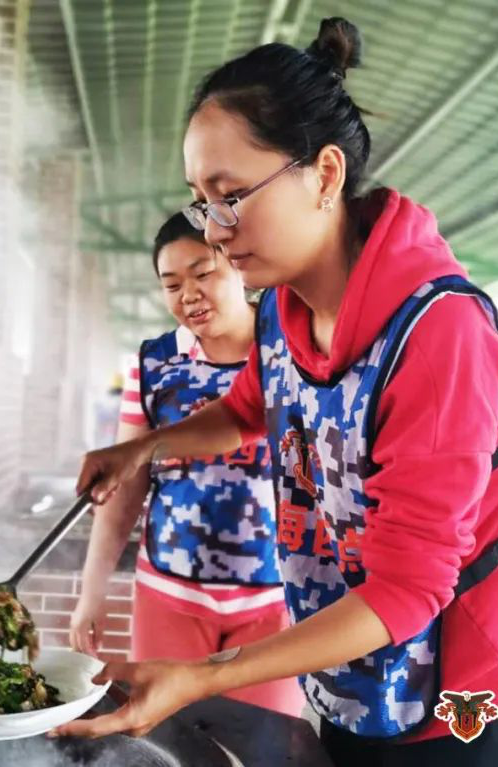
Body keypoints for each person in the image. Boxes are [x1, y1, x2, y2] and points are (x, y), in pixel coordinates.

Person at [54, 18, 498, 766]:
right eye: (201, 201)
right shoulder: (284, 313)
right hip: (353, 671)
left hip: (461, 704)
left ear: (323, 175)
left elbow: (409, 590)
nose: (215, 231)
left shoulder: (438, 332)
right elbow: (243, 413)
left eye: (231, 195)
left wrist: (200, 676)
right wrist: (141, 447)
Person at [68, 213, 302, 716]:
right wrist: (93, 592)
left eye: (203, 274)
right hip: (169, 596)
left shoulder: (294, 347)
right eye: (171, 284)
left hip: (277, 604)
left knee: (264, 748)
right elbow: (122, 491)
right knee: (166, 743)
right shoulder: (154, 365)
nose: (188, 294)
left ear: (239, 267)